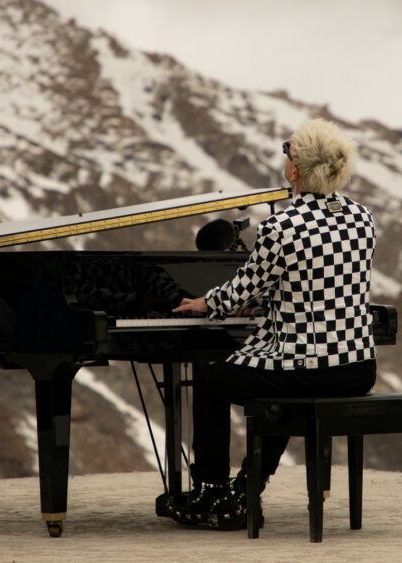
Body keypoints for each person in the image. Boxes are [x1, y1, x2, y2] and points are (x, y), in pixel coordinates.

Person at [165, 118, 378, 530]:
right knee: (276, 379)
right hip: (356, 368)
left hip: (309, 368)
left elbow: (243, 287)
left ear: (295, 170)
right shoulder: (362, 217)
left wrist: (206, 303)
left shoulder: (282, 226)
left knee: (212, 381)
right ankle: (247, 489)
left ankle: (213, 493)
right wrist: (268, 303)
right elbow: (317, 279)